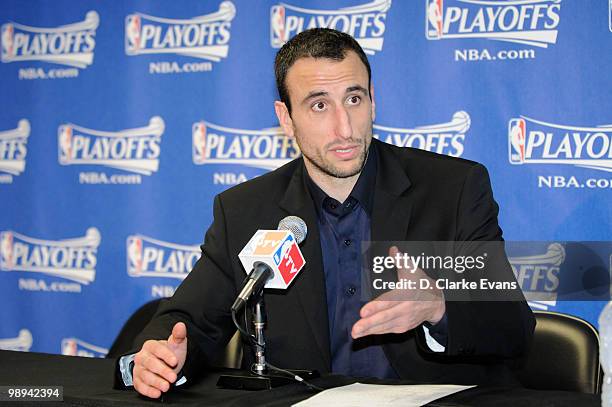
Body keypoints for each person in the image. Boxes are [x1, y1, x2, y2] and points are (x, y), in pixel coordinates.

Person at [115, 28, 535, 399]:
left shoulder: (451, 190)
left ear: (373, 100)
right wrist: (158, 356)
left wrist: (439, 307)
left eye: (354, 99)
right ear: (286, 118)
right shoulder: (246, 210)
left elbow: (512, 326)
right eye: (319, 105)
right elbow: (187, 320)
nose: (345, 127)